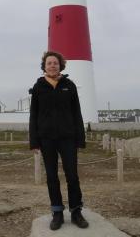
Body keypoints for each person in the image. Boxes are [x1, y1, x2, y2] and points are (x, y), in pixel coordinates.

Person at [29, 51, 89, 230]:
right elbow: (34, 115)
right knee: (52, 177)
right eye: (49, 63)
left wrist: (80, 138)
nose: (52, 65)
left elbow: (76, 113)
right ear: (44, 66)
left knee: (72, 175)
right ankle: (57, 212)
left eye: (55, 63)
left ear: (60, 65)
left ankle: (76, 211)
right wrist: (34, 141)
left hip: (68, 138)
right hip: (46, 139)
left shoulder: (69, 85)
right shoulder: (39, 86)